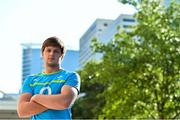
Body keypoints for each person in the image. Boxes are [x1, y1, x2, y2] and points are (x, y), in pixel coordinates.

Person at [17, 36, 80, 119]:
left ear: (62, 55)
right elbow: (22, 110)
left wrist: (36, 98)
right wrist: (55, 102)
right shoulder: (30, 80)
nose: (51, 54)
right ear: (42, 53)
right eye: (48, 50)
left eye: (56, 51)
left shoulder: (70, 76)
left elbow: (65, 102)